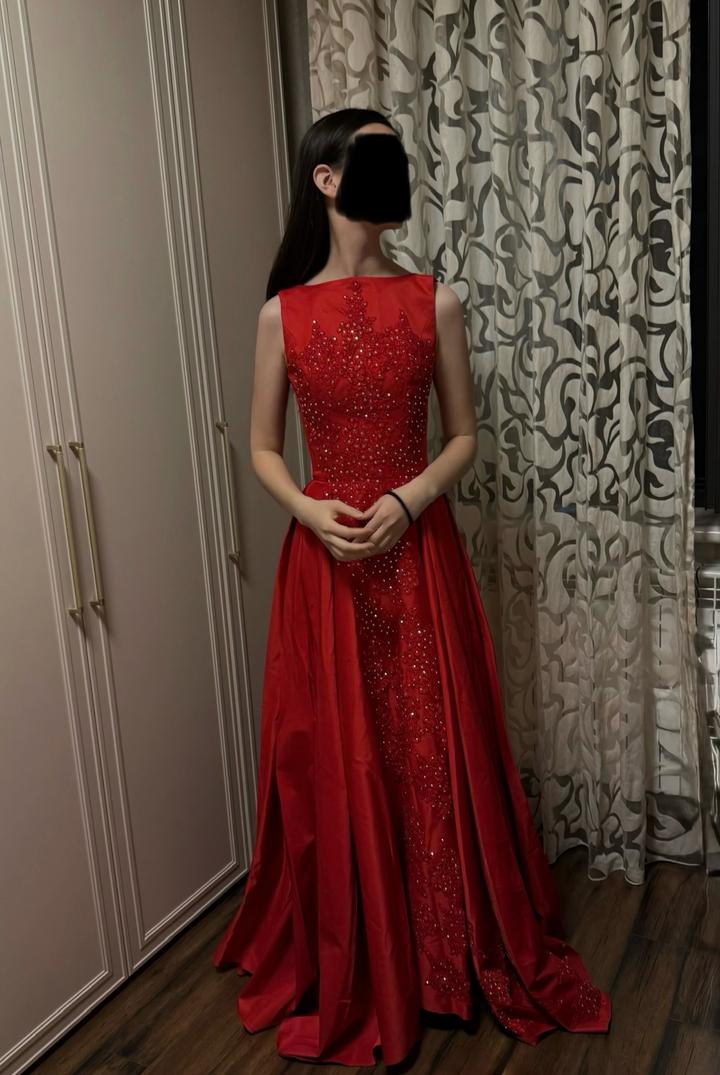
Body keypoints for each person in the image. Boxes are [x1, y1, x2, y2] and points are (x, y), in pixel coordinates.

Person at [212, 107, 612, 1066]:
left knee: (431, 746)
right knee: (343, 753)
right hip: (326, 564)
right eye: (375, 157)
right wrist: (309, 510)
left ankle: (445, 951)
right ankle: (365, 948)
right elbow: (261, 447)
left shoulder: (435, 300)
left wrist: (410, 495)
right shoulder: (281, 314)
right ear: (326, 178)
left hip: (417, 554)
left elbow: (465, 435)